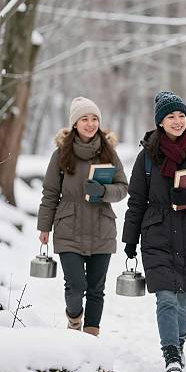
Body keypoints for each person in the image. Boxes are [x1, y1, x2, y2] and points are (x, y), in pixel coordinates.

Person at [122, 91, 186, 372]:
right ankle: (171, 355)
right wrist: (129, 239)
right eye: (171, 116)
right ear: (161, 122)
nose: (177, 121)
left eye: (181, 116)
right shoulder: (147, 157)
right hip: (156, 232)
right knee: (165, 297)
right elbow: (136, 200)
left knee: (185, 298)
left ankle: (179, 342)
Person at [37, 96, 128, 336]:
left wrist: (104, 191)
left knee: (97, 289)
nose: (90, 123)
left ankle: (90, 337)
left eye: (95, 118)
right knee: (76, 286)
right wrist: (44, 227)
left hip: (102, 228)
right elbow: (50, 193)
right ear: (75, 124)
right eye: (84, 119)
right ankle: (74, 320)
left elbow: (123, 188)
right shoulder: (61, 155)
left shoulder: (109, 152)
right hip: (69, 227)